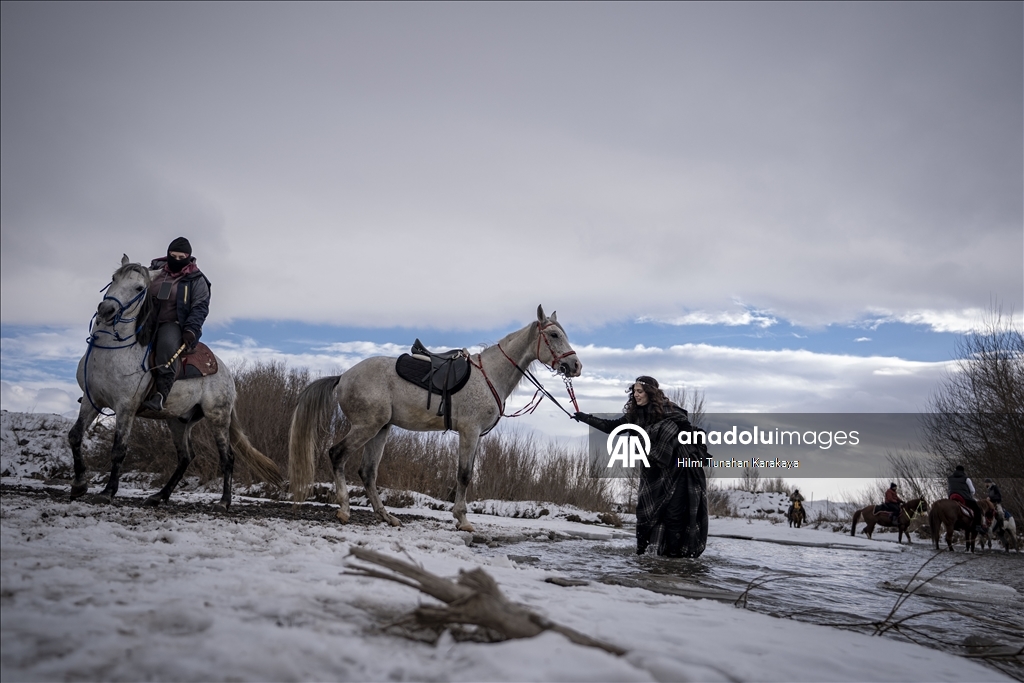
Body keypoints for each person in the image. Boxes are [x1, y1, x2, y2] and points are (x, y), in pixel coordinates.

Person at [574, 376, 708, 558]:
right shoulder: (634, 417)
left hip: (677, 471)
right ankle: (648, 556)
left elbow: (688, 432)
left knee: (673, 516)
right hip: (652, 472)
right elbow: (610, 427)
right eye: (634, 392)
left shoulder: (671, 411)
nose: (636, 395)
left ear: (650, 393)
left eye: (639, 391)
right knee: (647, 515)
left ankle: (676, 561)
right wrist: (585, 418)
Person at [140, 237, 211, 412]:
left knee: (166, 346)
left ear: (189, 257)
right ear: (167, 254)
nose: (177, 260)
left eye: (182, 257)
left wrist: (191, 330)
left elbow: (200, 307)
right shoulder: (154, 270)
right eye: (173, 256)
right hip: (146, 319)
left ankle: (161, 395)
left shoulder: (197, 279)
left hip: (173, 323)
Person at [947, 465, 983, 533]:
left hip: (952, 497)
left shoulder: (950, 478)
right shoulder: (966, 479)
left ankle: (955, 526)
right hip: (964, 498)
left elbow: (949, 488)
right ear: (963, 471)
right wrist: (970, 496)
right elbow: (972, 490)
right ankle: (978, 526)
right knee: (977, 510)